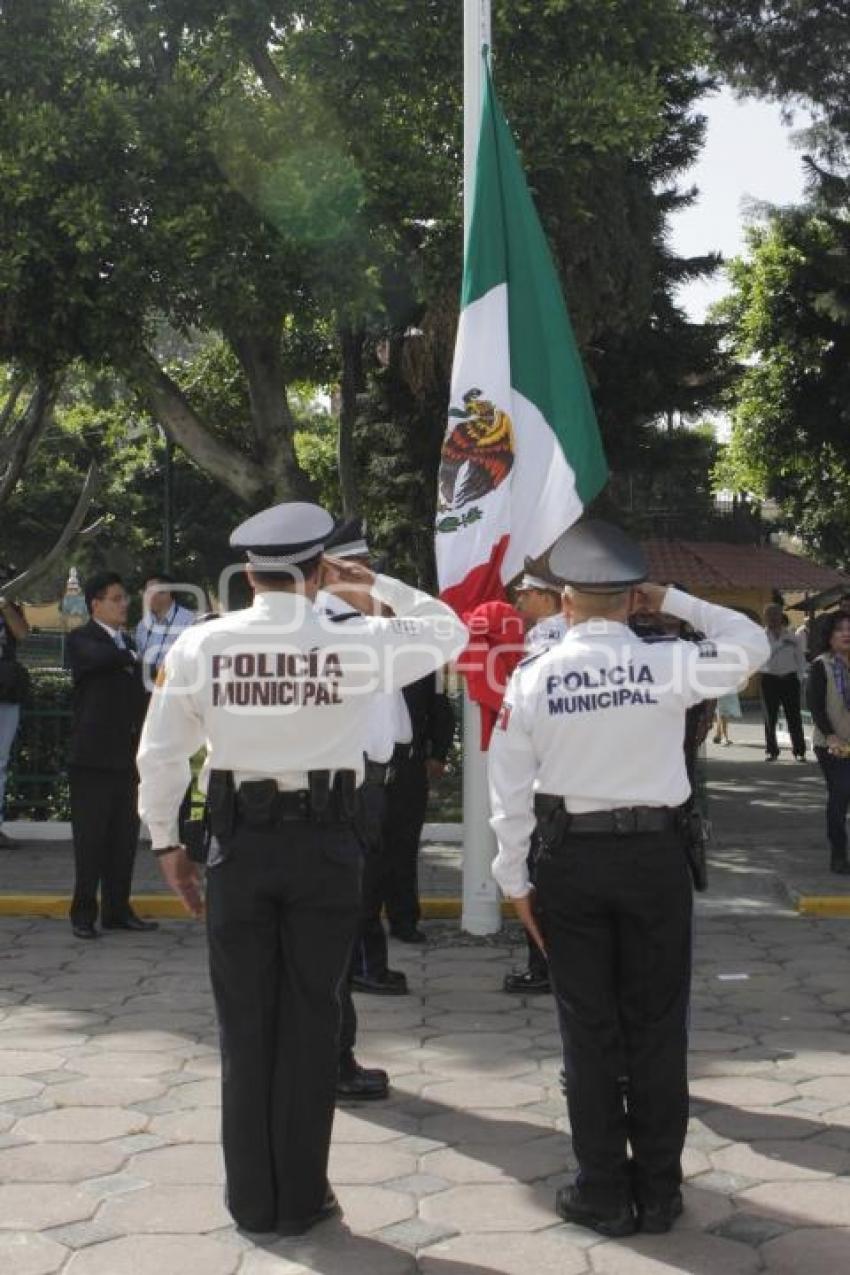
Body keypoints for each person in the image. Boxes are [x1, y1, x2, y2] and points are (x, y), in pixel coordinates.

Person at [137, 501, 466, 1237]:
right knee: (314, 1016)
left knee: (245, 1022)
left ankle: (251, 1199)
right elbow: (451, 630)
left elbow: (161, 754)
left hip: (238, 846)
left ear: (247, 572)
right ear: (320, 569)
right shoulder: (360, 642)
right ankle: (303, 1195)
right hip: (326, 847)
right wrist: (368, 582)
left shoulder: (202, 643)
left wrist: (167, 843)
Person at [488, 520, 767, 1238]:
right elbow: (751, 641)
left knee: (588, 1029)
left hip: (570, 861)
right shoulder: (670, 662)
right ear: (632, 600)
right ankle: (660, 1188)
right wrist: (675, 595)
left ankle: (603, 1189)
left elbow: (510, 790)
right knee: (656, 1024)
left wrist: (513, 879)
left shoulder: (533, 674)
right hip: (655, 860)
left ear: (568, 602)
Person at [66, 572, 155, 939]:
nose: (124, 605)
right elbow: (99, 659)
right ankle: (83, 913)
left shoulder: (128, 645)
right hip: (92, 760)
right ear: (96, 604)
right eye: (116, 598)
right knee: (91, 839)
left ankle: (117, 909)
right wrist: (128, 656)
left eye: (124, 599)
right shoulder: (81, 639)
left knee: (123, 838)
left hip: (126, 756)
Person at [501, 566, 568, 995]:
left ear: (546, 597)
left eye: (524, 593)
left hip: (545, 778)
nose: (518, 601)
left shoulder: (545, 640)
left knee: (539, 875)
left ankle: (543, 966)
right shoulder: (568, 633)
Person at [807, 611, 850, 874]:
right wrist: (831, 736)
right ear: (829, 636)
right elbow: (815, 705)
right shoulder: (821, 665)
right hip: (831, 744)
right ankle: (838, 854)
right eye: (839, 630)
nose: (846, 634)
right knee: (841, 794)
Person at [0, 573, 31, 847]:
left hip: (5, 690)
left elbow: (22, 633)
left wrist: (5, 605)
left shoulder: (9, 601)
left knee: (0, 762)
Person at [760, 604, 807, 761]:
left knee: (794, 716)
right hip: (769, 679)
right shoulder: (760, 636)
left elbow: (800, 658)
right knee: (770, 717)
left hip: (790, 679)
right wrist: (780, 645)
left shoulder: (792, 635)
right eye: (770, 615)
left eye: (776, 614)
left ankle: (799, 751)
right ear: (765, 618)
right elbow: (762, 657)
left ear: (781, 616)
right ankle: (771, 750)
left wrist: (800, 676)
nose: (773, 618)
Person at [135, 573, 195, 689]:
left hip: (175, 690)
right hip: (146, 692)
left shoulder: (188, 621)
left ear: (166, 593)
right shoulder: (142, 625)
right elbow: (139, 658)